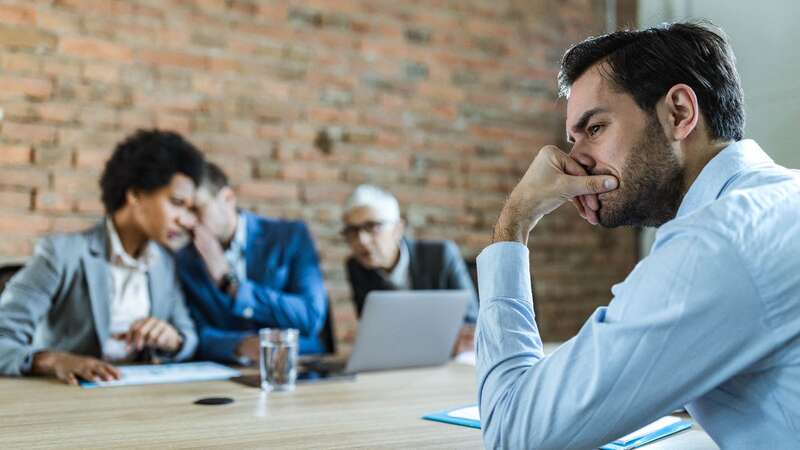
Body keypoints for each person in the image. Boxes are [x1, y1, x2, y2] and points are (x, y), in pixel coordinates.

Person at [476, 22, 800, 449]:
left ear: (679, 113)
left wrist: (514, 221)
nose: (576, 160)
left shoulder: (716, 244)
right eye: (572, 140)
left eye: (595, 129)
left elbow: (511, 430)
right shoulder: (780, 198)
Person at [0, 129, 203, 384]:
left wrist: (172, 340)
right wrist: (53, 360)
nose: (184, 220)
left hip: (139, 400)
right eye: (176, 202)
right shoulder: (62, 254)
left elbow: (188, 337)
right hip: (66, 399)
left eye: (189, 208)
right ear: (136, 195)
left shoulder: (164, 262)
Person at [176, 162, 328, 364]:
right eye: (183, 210)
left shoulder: (290, 237)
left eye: (196, 209)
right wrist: (240, 344)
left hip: (300, 369)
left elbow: (310, 317)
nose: (186, 221)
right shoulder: (185, 260)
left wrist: (229, 283)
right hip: (227, 377)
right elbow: (196, 333)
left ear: (228, 198)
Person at [342, 185, 478, 354]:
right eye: (352, 231)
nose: (361, 240)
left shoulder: (441, 255)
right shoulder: (356, 267)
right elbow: (374, 335)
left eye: (372, 227)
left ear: (398, 229)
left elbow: (472, 324)